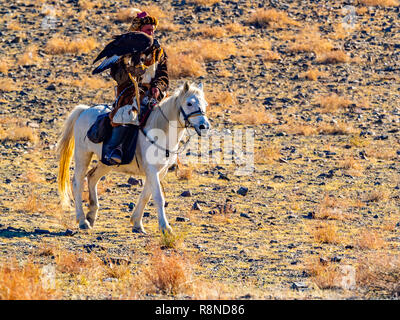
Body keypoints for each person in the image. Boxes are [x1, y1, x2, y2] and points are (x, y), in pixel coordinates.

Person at [105, 10, 169, 165]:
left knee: (173, 113)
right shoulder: (125, 48)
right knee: (128, 115)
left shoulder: (158, 51)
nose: (152, 33)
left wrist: (158, 88)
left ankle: (170, 152)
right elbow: (117, 75)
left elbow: (163, 75)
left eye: (153, 30)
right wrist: (130, 72)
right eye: (148, 30)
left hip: (153, 93)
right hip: (129, 92)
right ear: (139, 31)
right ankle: (116, 149)